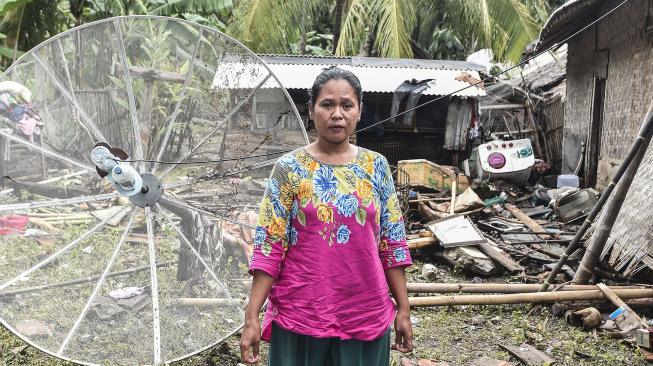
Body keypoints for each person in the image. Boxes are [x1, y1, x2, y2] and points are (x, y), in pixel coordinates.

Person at [240, 67, 413, 366]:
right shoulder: (288, 168)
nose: (337, 114)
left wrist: (404, 309)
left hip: (364, 313)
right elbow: (270, 245)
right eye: (327, 104)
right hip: (301, 312)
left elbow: (392, 243)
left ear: (359, 111)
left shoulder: (377, 167)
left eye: (347, 105)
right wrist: (252, 315)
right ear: (311, 109)